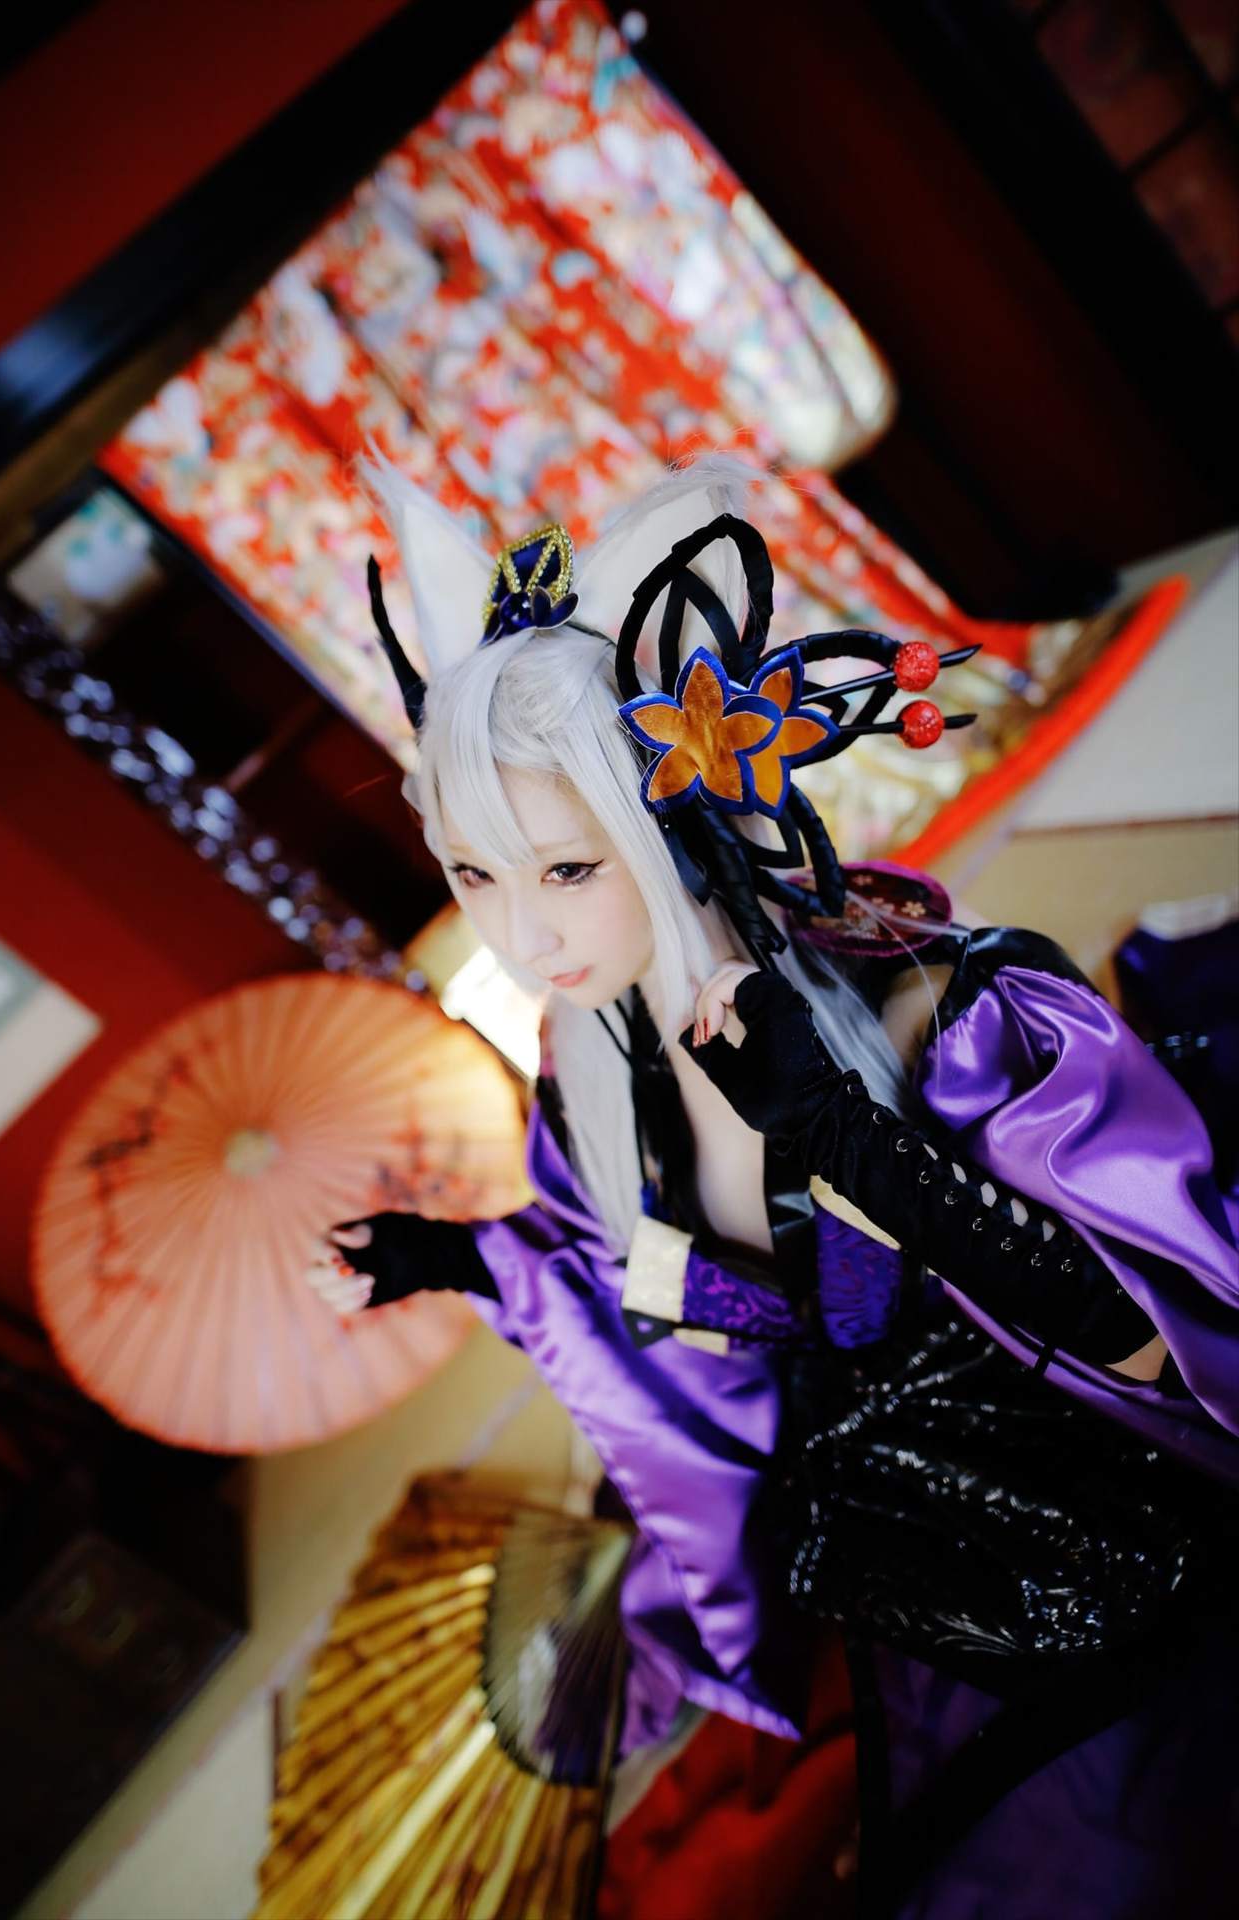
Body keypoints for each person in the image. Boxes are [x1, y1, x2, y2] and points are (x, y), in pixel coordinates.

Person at [308, 457, 1239, 1918]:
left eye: (565, 870)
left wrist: (854, 1142)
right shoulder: (590, 1069)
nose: (520, 939)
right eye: (475, 876)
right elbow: (670, 1296)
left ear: (670, 823)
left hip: (1122, 1506)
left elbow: (1158, 1347)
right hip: (906, 1550)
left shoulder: (953, 1014)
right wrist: (462, 1258)